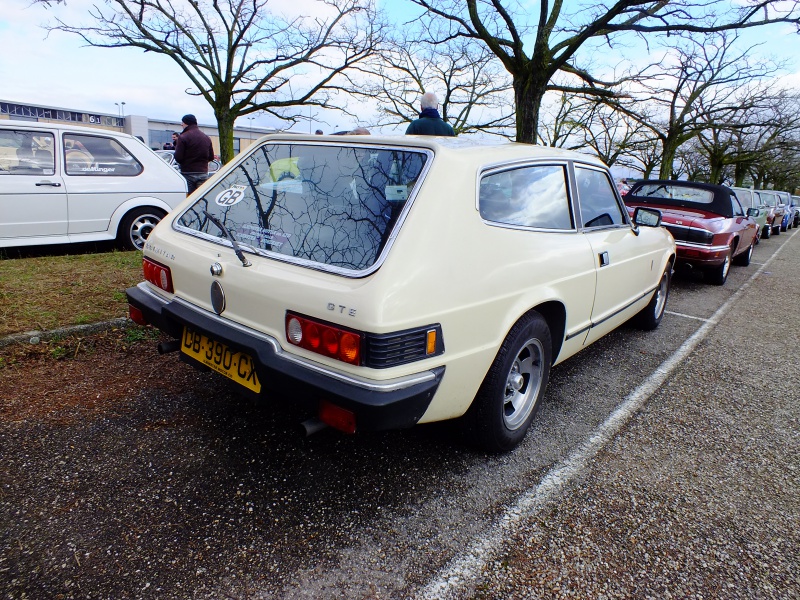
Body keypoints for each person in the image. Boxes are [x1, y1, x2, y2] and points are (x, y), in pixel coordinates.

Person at [174, 115, 214, 195]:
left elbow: (178, 157)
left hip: (188, 173)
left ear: (186, 123)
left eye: (182, 122)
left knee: (189, 200)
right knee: (201, 197)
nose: (181, 124)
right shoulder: (206, 138)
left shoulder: (183, 137)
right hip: (203, 172)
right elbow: (211, 157)